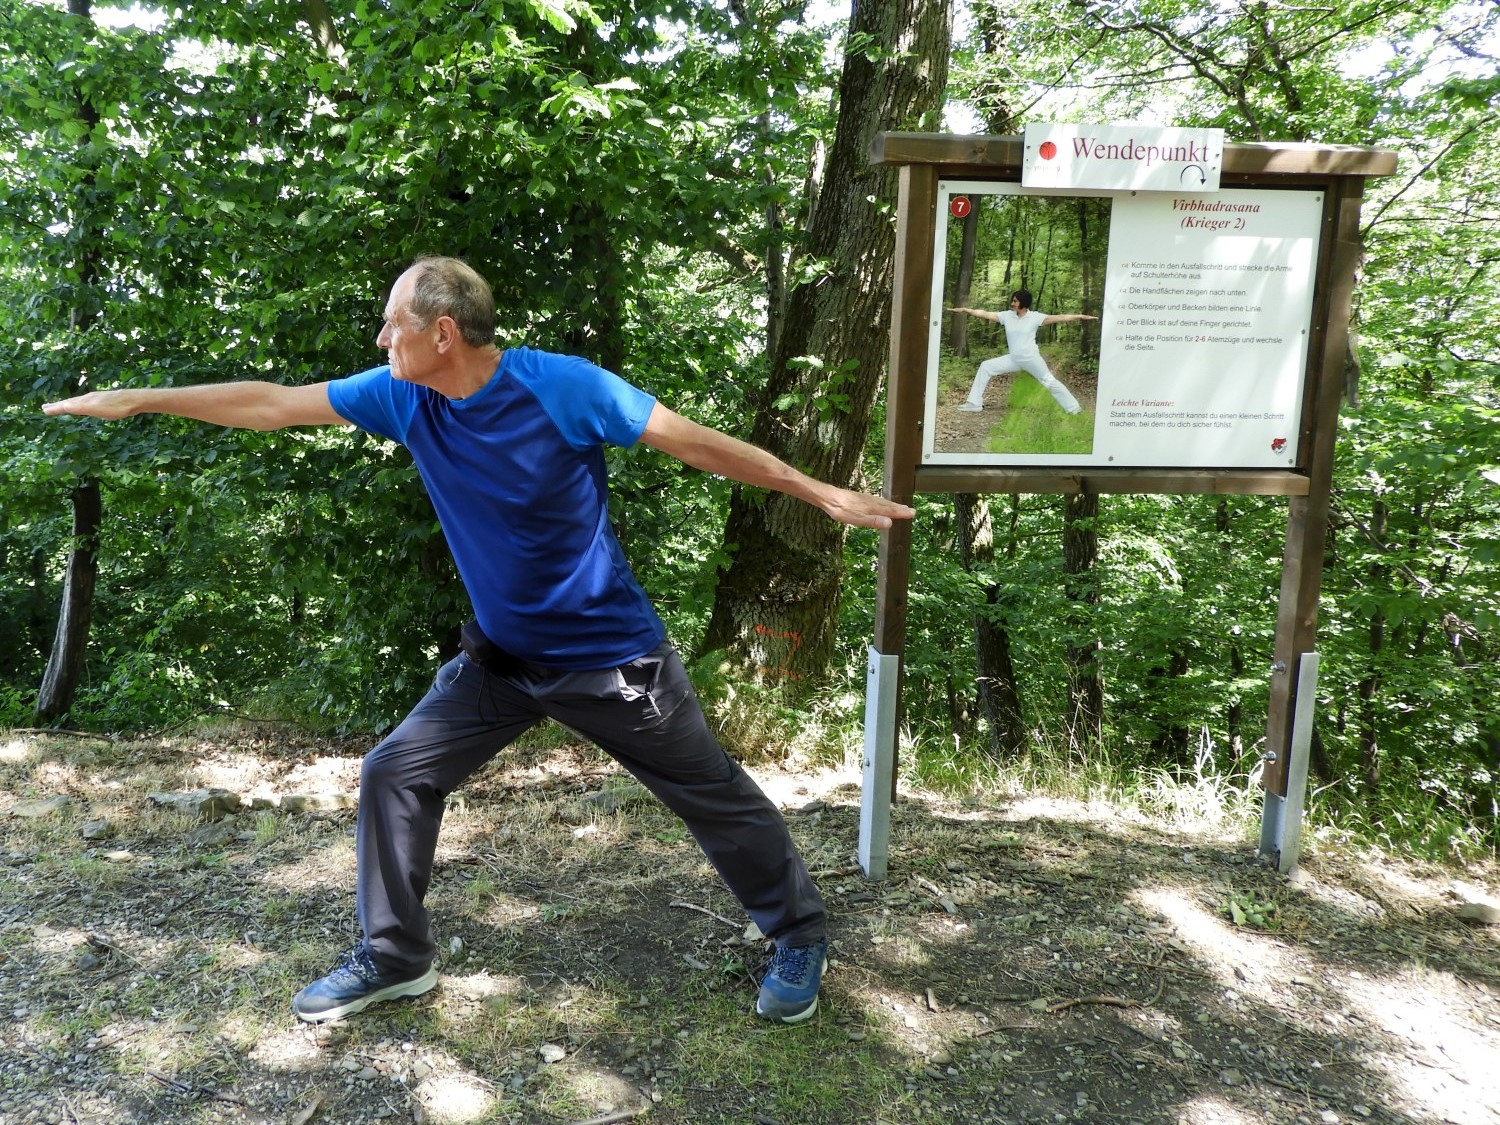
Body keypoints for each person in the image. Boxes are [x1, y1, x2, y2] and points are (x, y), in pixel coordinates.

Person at [43, 255, 915, 1026]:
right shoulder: (403, 395)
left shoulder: (562, 386)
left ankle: (799, 934)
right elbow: (273, 404)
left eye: (394, 322)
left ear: (443, 332)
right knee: (395, 768)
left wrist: (824, 495)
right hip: (500, 661)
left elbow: (699, 446)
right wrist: (144, 399)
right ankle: (396, 955)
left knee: (713, 795)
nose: (382, 335)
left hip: (613, 661)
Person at [950, 290, 1097, 415]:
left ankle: (1074, 408)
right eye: (1012, 300)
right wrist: (966, 310)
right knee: (986, 366)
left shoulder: (1035, 317)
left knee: (1050, 382)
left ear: (1023, 303)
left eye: (1015, 301)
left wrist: (1079, 316)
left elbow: (1059, 318)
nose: (1012, 303)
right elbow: (985, 314)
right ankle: (974, 404)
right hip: (1014, 358)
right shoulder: (1007, 316)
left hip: (1031, 359)